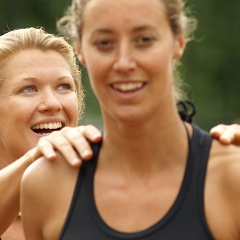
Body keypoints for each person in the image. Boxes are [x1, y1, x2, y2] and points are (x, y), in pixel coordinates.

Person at [21, 0, 240, 239]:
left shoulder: (231, 179)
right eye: (104, 43)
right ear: (81, 49)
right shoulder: (44, 185)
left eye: (144, 40)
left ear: (179, 41)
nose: (124, 63)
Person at [0, 27, 103, 240]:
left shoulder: (103, 193)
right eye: (28, 89)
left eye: (63, 87)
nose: (53, 104)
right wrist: (37, 157)